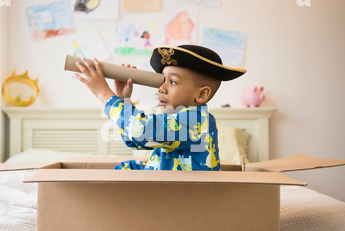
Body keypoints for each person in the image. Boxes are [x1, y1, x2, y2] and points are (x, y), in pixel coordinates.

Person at [75, 44, 246, 171]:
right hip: (166, 190)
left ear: (201, 95)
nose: (161, 88)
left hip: (186, 202)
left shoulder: (197, 120)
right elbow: (135, 140)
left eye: (172, 82)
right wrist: (124, 99)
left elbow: (140, 132)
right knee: (125, 169)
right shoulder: (177, 119)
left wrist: (103, 94)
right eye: (162, 80)